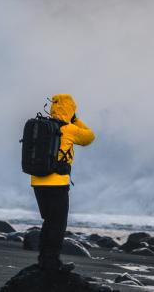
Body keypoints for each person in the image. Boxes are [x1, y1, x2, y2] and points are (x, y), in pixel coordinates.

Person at [30, 94, 95, 272]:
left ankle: (44, 260)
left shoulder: (41, 126)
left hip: (37, 180)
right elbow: (89, 137)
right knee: (58, 224)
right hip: (57, 183)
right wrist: (76, 119)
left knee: (48, 221)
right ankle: (52, 263)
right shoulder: (69, 129)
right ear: (70, 110)